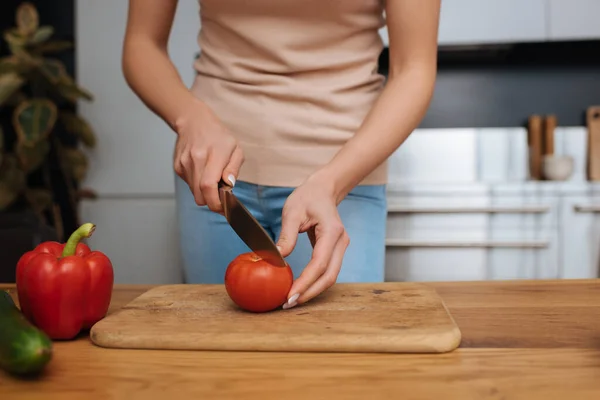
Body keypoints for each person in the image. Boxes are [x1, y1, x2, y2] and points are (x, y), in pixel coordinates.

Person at [122, 0, 440, 309]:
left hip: (343, 180)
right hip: (214, 180)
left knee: (342, 353)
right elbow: (142, 43)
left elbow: (414, 68)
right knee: (215, 349)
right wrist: (189, 118)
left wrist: (332, 183)